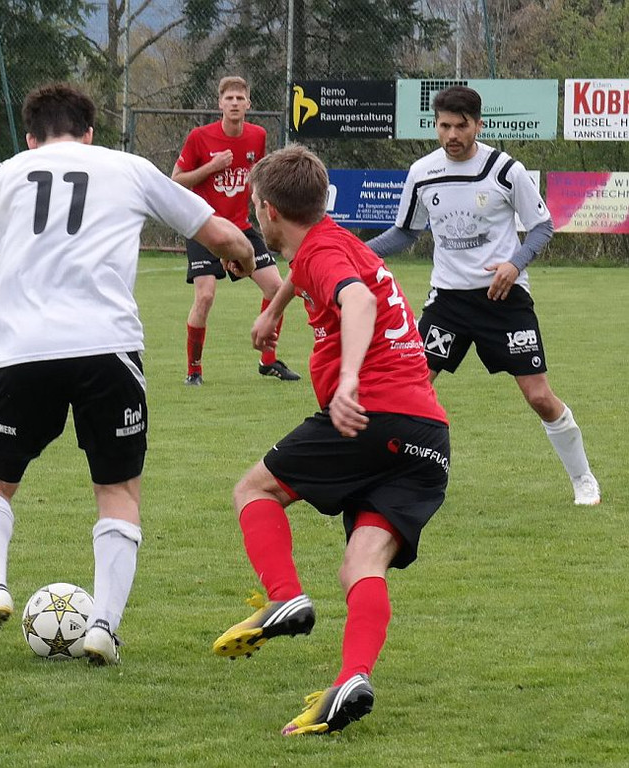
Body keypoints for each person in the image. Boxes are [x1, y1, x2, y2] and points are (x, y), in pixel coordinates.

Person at [0, 82, 255, 667]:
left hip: (24, 354)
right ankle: (103, 624)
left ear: (31, 138)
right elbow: (225, 236)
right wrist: (243, 259)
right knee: (117, 490)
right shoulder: (127, 168)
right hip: (108, 351)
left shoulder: (2, 176)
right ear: (89, 133)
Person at [212, 144, 450, 736]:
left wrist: (347, 382)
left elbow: (357, 298)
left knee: (254, 490)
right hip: (427, 435)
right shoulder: (333, 240)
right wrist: (275, 308)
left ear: (268, 211)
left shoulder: (322, 252)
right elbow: (308, 272)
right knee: (361, 564)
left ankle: (284, 595)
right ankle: (352, 679)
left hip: (371, 415)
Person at [367, 85, 600, 506]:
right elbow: (404, 233)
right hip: (448, 302)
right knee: (411, 388)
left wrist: (514, 264)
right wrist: (354, 252)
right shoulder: (422, 172)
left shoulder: (505, 169)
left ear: (478, 125)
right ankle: (392, 478)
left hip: (503, 299)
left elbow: (542, 227)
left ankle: (583, 478)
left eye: (461, 126)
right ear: (435, 125)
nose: (452, 135)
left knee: (538, 396)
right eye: (444, 126)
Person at [171, 75, 300, 385]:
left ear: (248, 104)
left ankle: (268, 361)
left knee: (277, 288)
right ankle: (194, 370)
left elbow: (257, 180)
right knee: (205, 297)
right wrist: (211, 167)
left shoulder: (257, 136)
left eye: (240, 98)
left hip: (241, 228)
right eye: (229, 98)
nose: (234, 103)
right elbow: (176, 180)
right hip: (205, 226)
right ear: (220, 104)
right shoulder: (200, 137)